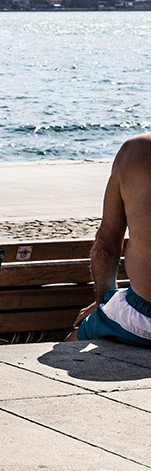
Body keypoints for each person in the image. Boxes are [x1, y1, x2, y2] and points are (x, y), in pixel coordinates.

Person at [70, 134, 151, 344]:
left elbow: (105, 248)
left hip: (143, 319)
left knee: (68, 346)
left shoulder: (137, 150)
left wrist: (102, 301)